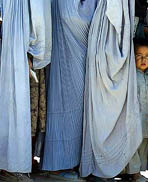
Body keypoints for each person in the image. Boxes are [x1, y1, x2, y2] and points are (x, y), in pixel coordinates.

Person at [80, 0, 143, 179]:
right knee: (111, 111)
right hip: (109, 43)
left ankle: (113, 165)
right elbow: (117, 18)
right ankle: (110, 165)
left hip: (103, 43)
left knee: (100, 110)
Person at [42, 0, 98, 180]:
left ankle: (64, 161)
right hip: (71, 48)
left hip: (64, 49)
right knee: (70, 105)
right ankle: (59, 164)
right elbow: (73, 15)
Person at [0, 0, 51, 181]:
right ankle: (17, 164)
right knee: (23, 110)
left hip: (12, 45)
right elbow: (39, 17)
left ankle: (14, 163)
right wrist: (37, 52)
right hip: (24, 50)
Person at [123, 39, 148, 182]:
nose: (143, 59)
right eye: (139, 55)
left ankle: (138, 172)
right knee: (133, 148)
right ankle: (134, 174)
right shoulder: (130, 77)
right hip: (135, 120)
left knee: (143, 148)